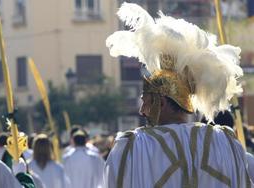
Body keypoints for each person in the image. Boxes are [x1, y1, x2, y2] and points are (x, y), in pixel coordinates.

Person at [104, 2, 253, 188]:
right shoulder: (226, 144)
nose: (142, 111)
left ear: (163, 102)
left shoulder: (132, 148)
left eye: (147, 101)